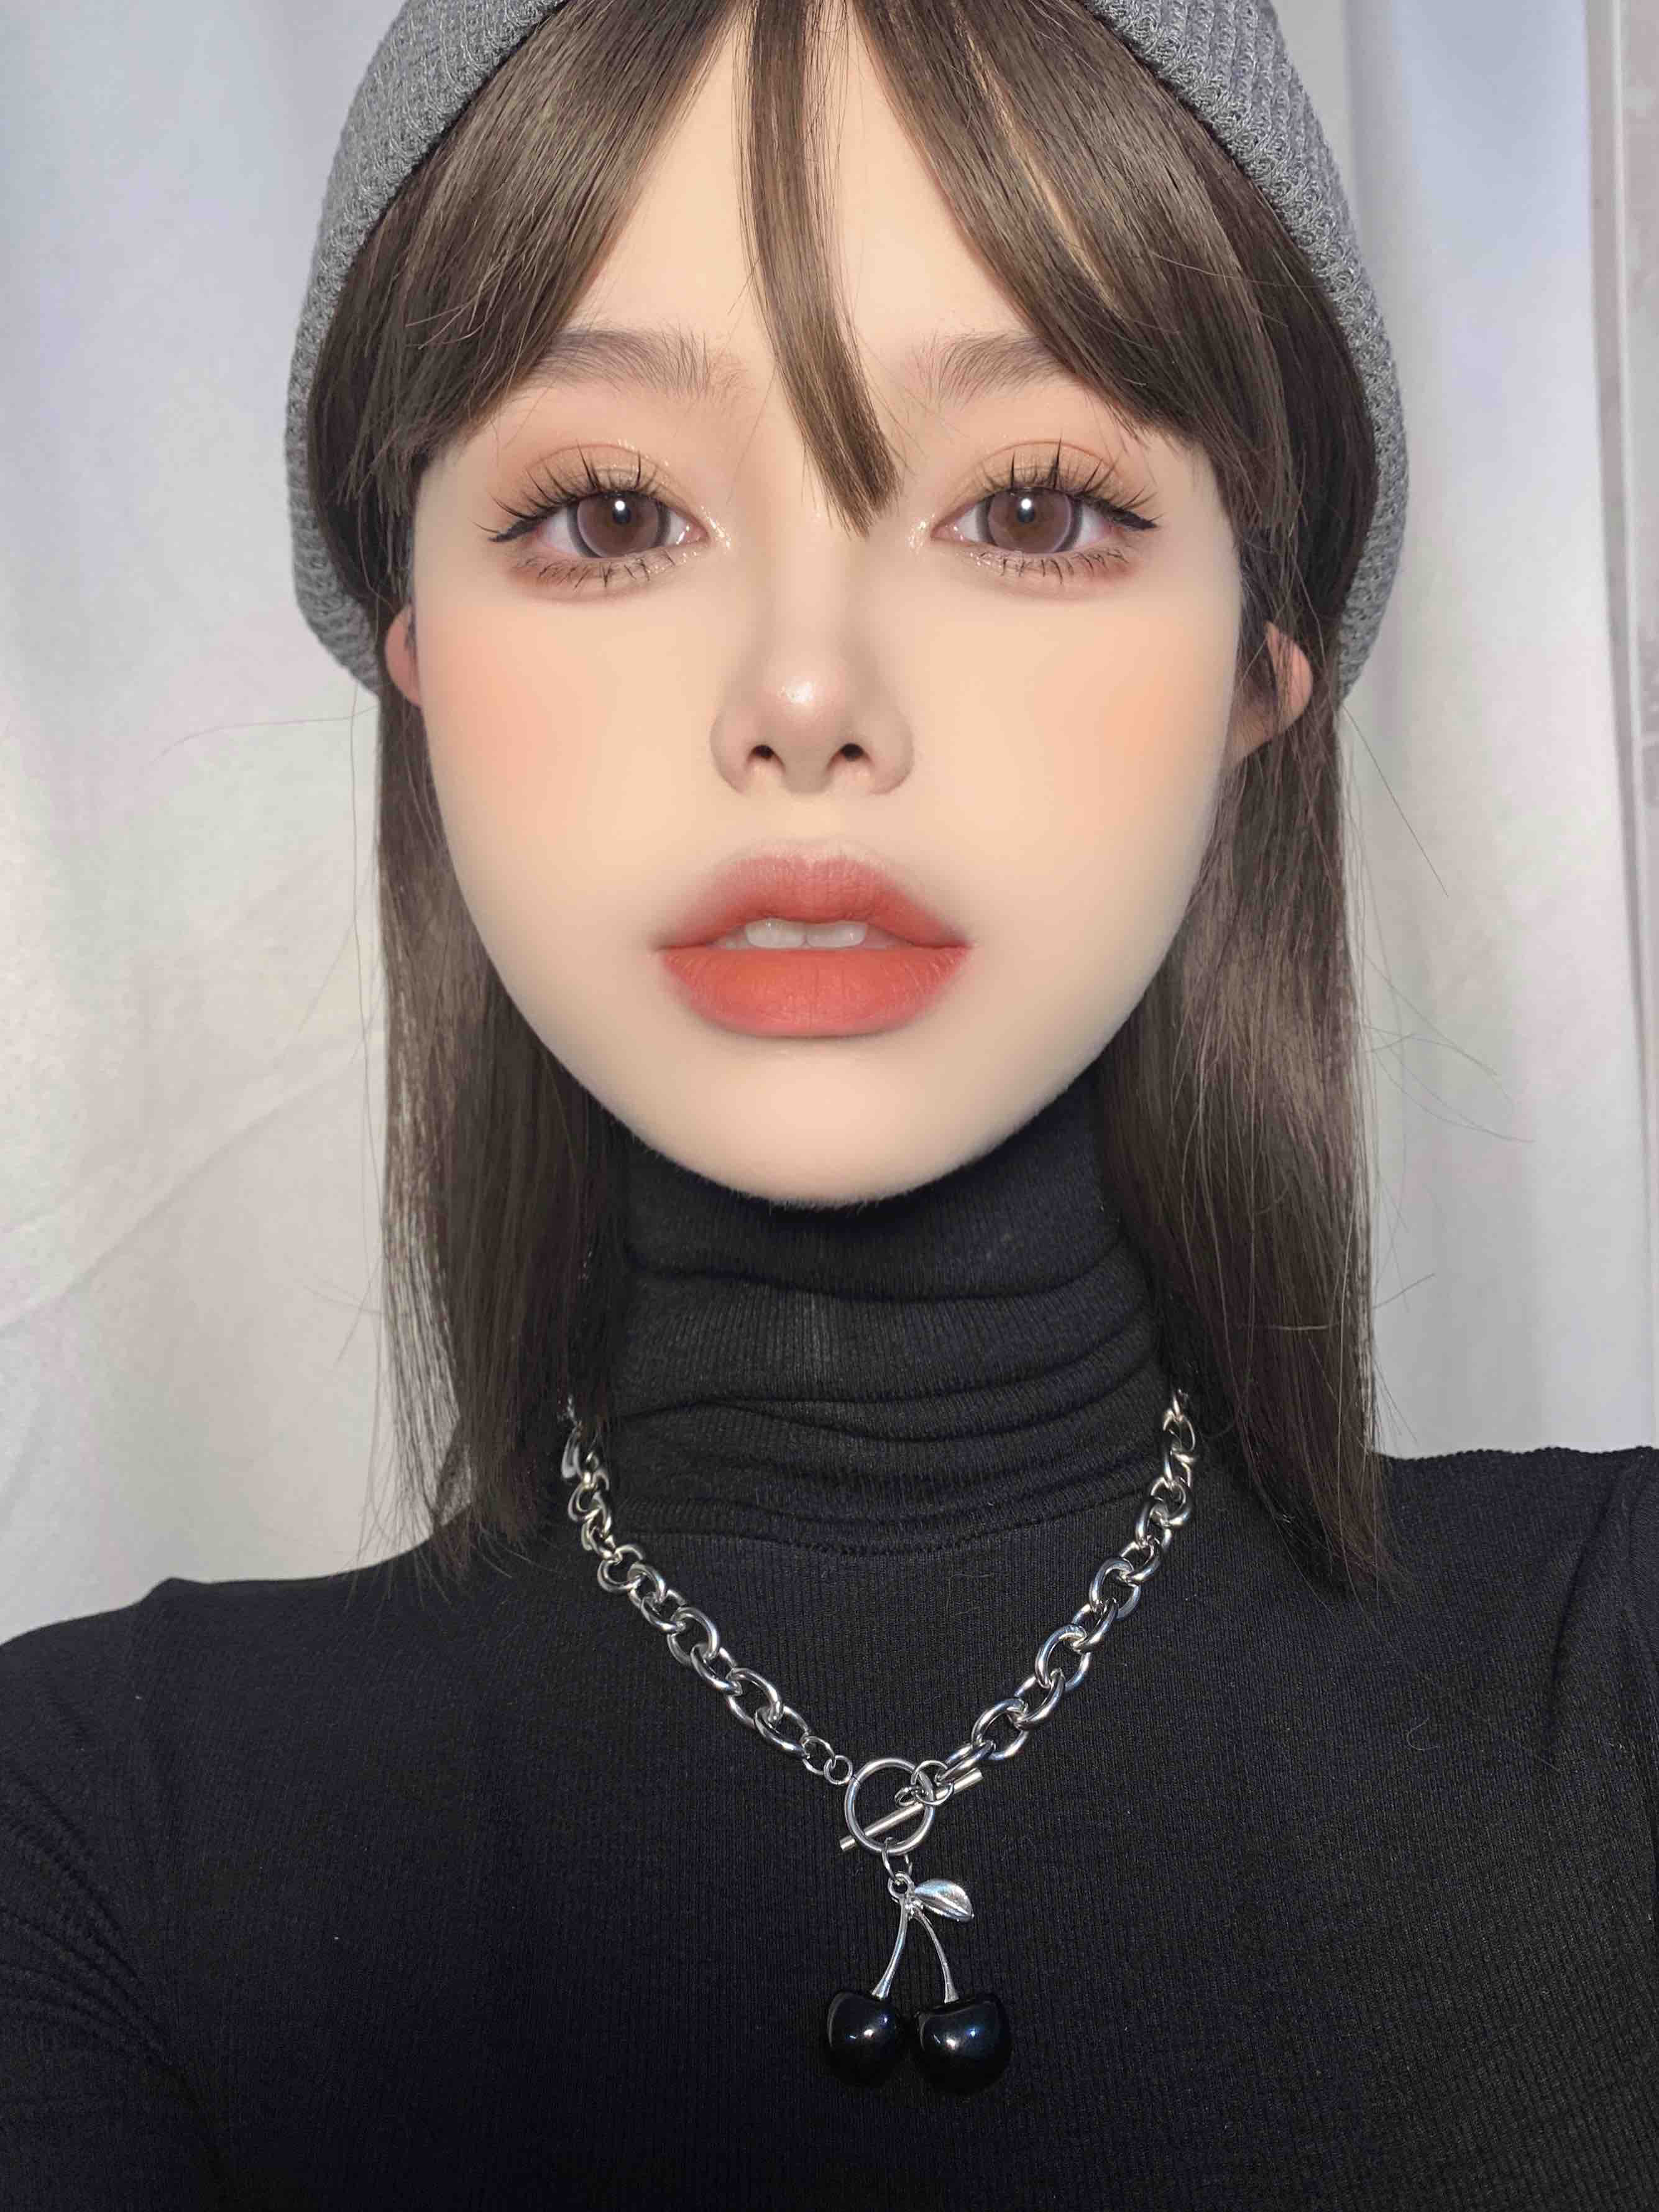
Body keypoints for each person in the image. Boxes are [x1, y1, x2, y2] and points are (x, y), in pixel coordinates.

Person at [3, 0, 1654, 2202]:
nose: (804, 693)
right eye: (608, 511)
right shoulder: (86, 1842)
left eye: (1033, 506)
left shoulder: (1624, 1676)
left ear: (1263, 668)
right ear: (416, 656)